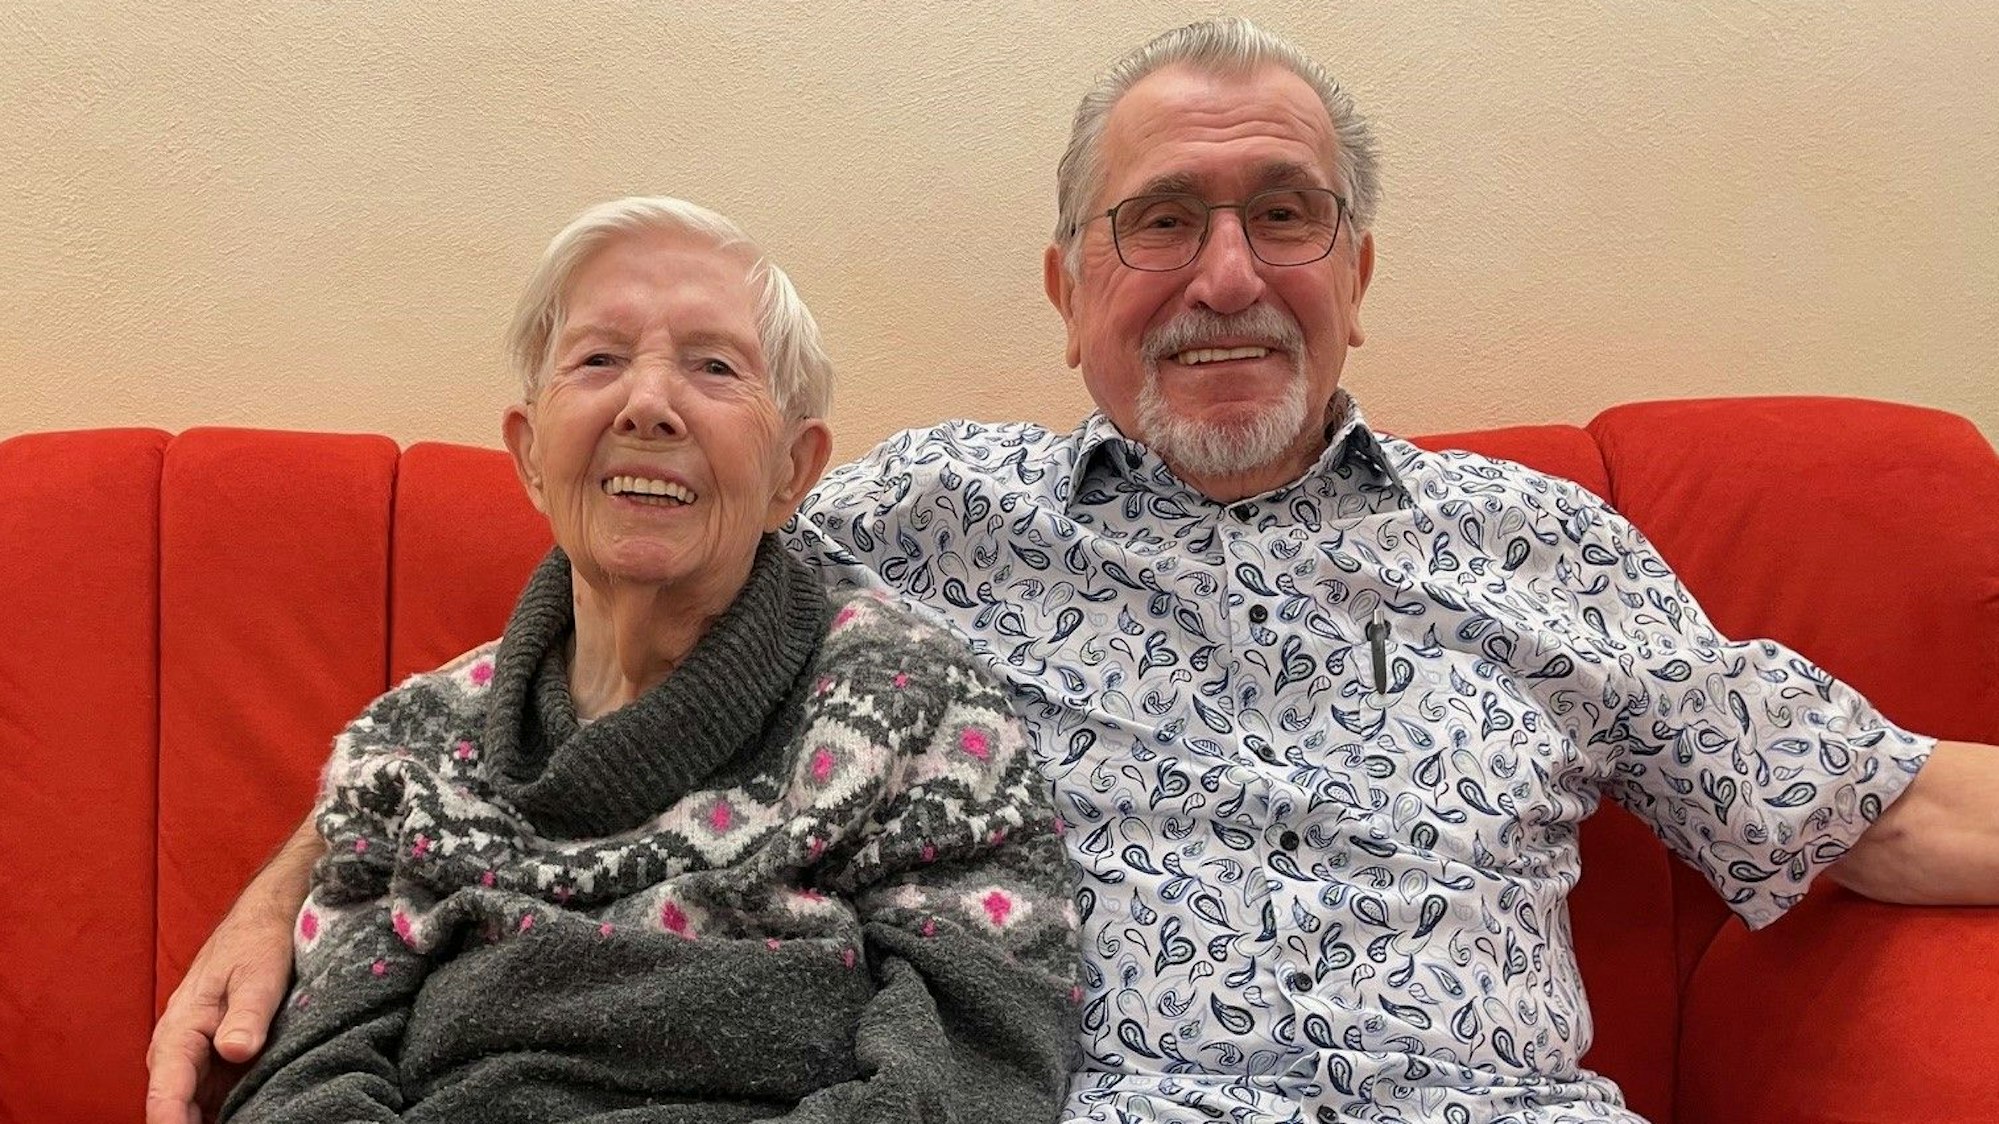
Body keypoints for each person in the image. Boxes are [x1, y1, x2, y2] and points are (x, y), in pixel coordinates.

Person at [152, 17, 1999, 1124]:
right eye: (1158, 222)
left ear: (1356, 274)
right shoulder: (924, 518)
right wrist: (274, 904)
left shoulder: (1540, 543)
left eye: (1282, 214)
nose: (1223, 275)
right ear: (1067, 288)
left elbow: (1878, 804)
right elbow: (585, 662)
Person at [211, 196, 1080, 1123]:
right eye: (599, 360)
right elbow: (306, 1075)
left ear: (791, 471)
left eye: (714, 366)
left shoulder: (918, 706)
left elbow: (978, 1061)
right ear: (529, 455)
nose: (649, 405)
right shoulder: (409, 746)